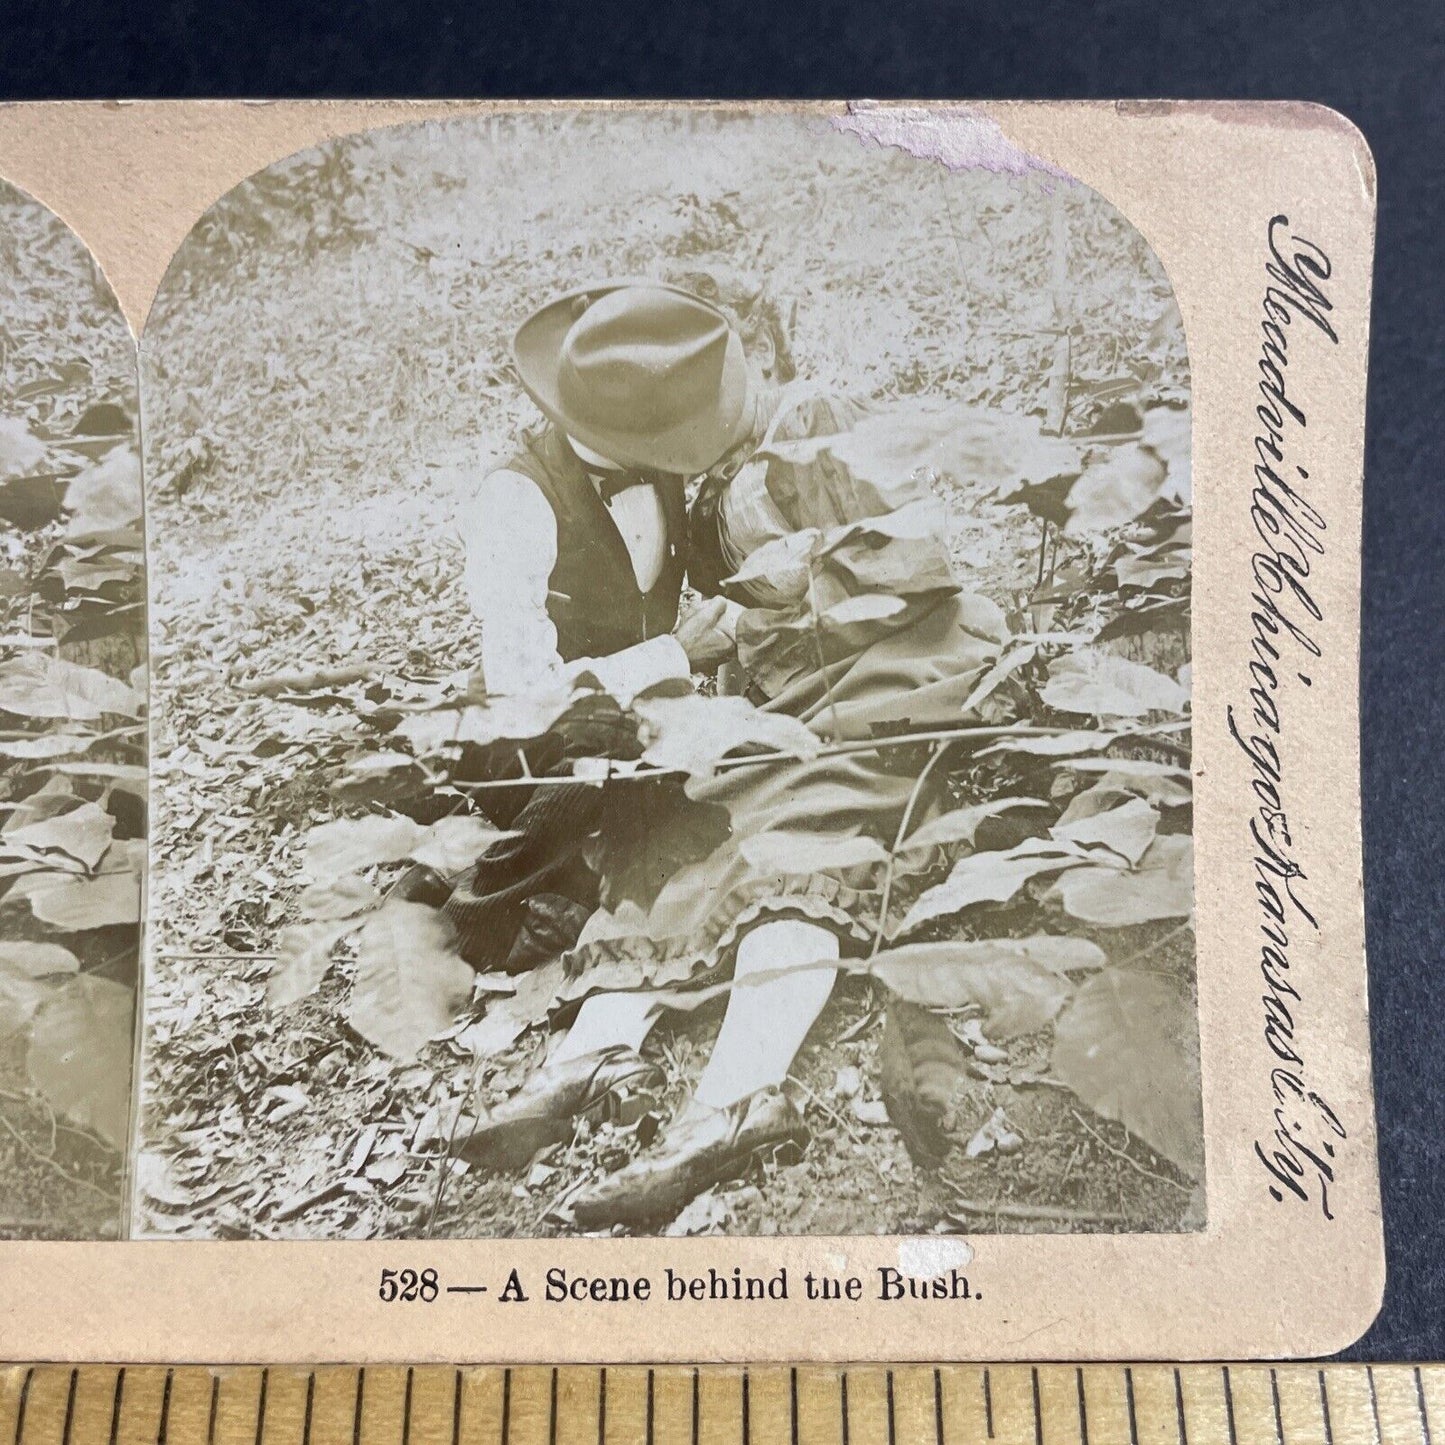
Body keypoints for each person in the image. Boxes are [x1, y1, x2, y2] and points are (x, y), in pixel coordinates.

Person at [453, 277, 1018, 1228]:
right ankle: (592, 1056)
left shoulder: (813, 429)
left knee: (807, 820)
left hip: (899, 657)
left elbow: (919, 567)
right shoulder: (531, 495)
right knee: (699, 825)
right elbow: (527, 696)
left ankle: (733, 1100)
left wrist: (799, 586)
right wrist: (714, 644)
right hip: (607, 723)